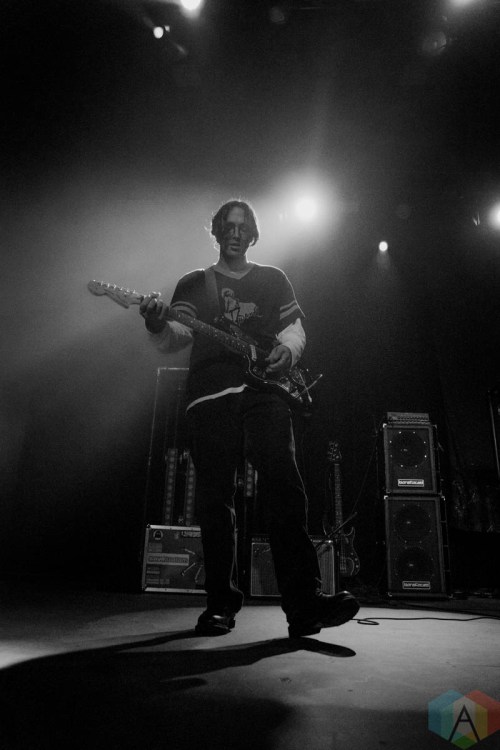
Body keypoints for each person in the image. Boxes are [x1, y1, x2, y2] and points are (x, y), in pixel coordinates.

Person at [139, 199, 359, 637]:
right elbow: (177, 336)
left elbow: (294, 329)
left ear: (253, 234)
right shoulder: (194, 282)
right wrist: (156, 323)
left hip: (265, 394)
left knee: (286, 489)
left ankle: (304, 605)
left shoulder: (273, 279)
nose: (235, 233)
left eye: (243, 226)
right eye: (228, 225)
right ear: (217, 232)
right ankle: (220, 603)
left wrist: (287, 351)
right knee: (215, 501)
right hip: (210, 397)